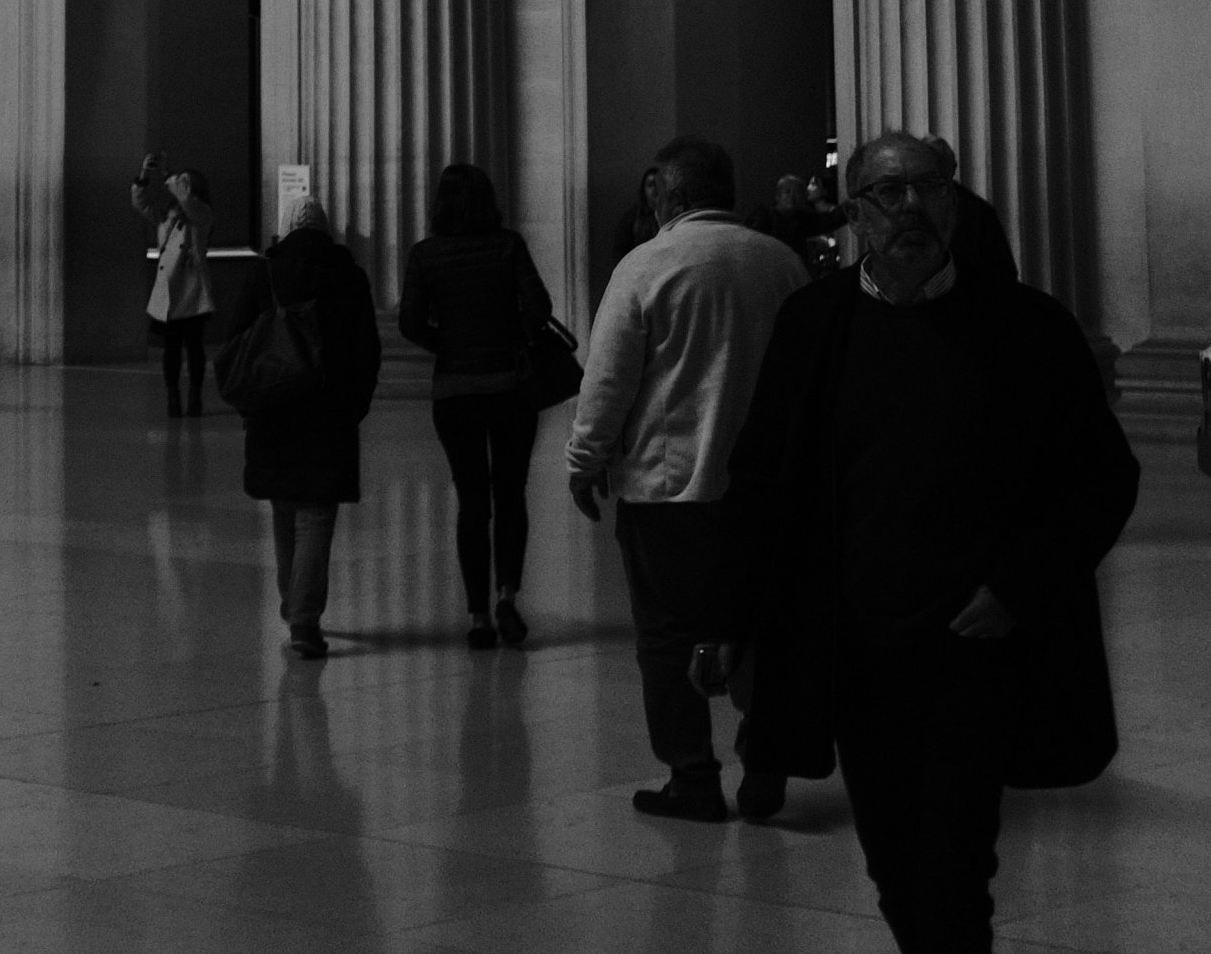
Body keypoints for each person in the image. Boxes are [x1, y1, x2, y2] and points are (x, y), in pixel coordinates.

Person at [722, 128, 1139, 954]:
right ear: (852, 213)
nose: (909, 207)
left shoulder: (1025, 329)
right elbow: (765, 478)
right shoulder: (817, 326)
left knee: (953, 884)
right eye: (886, 191)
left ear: (954, 205)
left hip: (974, 662)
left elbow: (1103, 477)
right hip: (858, 659)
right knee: (900, 876)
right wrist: (729, 622)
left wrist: (1019, 586)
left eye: (928, 188)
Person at [567, 133, 808, 822]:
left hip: (668, 491)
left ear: (666, 198)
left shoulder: (647, 265)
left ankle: (693, 778)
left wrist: (584, 462)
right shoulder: (782, 262)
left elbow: (608, 382)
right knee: (762, 630)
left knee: (668, 637)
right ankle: (764, 763)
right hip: (764, 491)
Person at [397, 161, 562, 647]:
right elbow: (540, 308)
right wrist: (510, 334)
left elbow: (409, 323)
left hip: (455, 389)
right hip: (510, 386)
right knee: (511, 493)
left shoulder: (425, 254)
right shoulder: (507, 245)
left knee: (472, 501)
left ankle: (477, 617)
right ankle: (506, 595)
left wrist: (446, 344)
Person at [219, 192, 382, 659]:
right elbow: (367, 351)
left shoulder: (264, 274)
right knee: (316, 514)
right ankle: (304, 621)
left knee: (285, 509)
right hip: (330, 413)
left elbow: (235, 345)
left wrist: (251, 404)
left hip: (273, 409)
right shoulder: (349, 277)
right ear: (325, 230)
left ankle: (295, 605)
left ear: (286, 229)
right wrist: (354, 406)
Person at [131, 152, 214, 416]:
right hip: (168, 292)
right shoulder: (166, 216)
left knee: (194, 347)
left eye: (184, 182)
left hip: (192, 292)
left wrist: (168, 173)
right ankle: (173, 396)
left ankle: (195, 396)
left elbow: (187, 200)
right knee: (172, 349)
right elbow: (140, 203)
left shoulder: (201, 215)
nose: (179, 186)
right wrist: (144, 175)